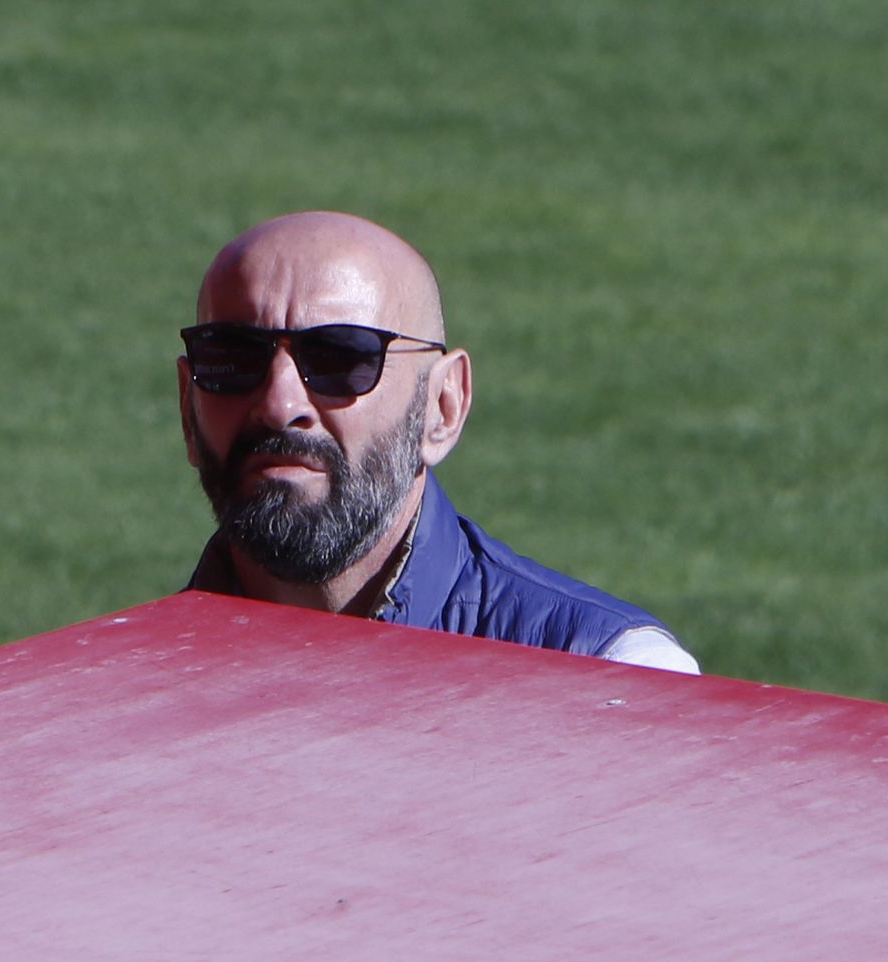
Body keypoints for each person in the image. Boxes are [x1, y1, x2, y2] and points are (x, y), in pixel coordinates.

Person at [176, 210, 698, 673]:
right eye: (233, 358)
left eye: (340, 358)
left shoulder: (612, 678)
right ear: (186, 406)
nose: (280, 404)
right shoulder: (127, 682)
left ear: (442, 407)